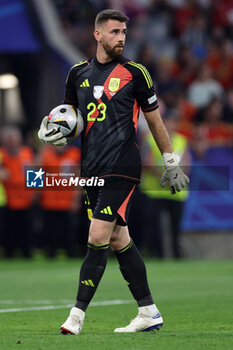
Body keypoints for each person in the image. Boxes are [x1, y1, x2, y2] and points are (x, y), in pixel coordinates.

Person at [38, 9, 189, 334]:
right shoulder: (77, 73)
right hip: (91, 168)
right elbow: (73, 119)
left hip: (122, 166)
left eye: (123, 32)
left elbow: (154, 120)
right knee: (120, 238)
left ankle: (75, 317)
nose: (121, 37)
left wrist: (170, 161)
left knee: (97, 235)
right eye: (114, 32)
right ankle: (148, 311)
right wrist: (59, 134)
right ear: (97, 35)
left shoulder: (136, 73)